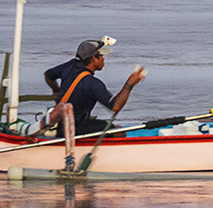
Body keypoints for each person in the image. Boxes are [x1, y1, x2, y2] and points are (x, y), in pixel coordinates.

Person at [43, 38, 147, 169]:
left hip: (59, 123)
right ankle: (111, 160)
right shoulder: (91, 84)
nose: (103, 59)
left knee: (103, 125)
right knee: (120, 132)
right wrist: (130, 84)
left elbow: (48, 75)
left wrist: (56, 91)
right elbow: (115, 107)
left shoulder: (70, 66)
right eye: (101, 56)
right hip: (72, 129)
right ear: (93, 59)